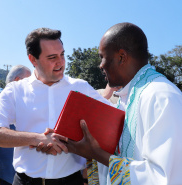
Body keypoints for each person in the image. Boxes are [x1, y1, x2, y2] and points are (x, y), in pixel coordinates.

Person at [0, 28, 110, 185]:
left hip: (71, 181)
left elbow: (111, 122)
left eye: (62, 54)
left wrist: (69, 142)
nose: (61, 62)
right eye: (52, 57)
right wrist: (38, 139)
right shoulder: (15, 90)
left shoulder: (81, 88)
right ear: (33, 59)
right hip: (25, 181)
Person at [65, 22, 182, 185]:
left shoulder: (161, 97)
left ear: (121, 57)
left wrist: (96, 153)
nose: (100, 65)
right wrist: (82, 147)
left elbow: (165, 178)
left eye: (102, 57)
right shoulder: (126, 97)